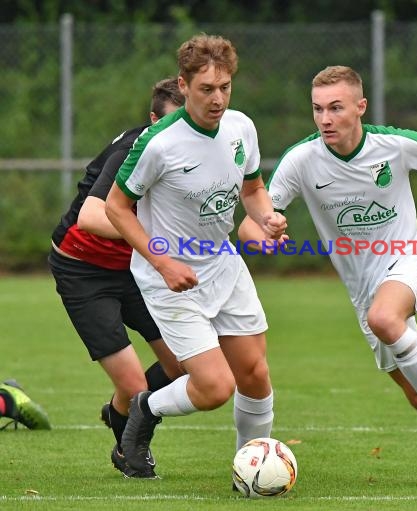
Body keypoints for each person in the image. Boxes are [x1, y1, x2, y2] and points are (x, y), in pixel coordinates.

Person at [238, 65, 417, 483]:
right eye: (317, 109)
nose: (325, 119)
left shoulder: (393, 145)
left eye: (336, 108)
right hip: (363, 291)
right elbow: (250, 222)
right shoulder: (302, 159)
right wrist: (264, 235)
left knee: (386, 320)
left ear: (360, 107)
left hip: (409, 259)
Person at [105, 34, 287, 479]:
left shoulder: (241, 127)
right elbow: (115, 207)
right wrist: (162, 262)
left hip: (222, 264)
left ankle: (250, 470)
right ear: (184, 86)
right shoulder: (157, 142)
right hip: (169, 275)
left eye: (225, 87)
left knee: (255, 374)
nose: (218, 98)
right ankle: (147, 407)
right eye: (207, 89)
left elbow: (253, 190)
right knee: (214, 387)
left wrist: (267, 218)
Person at [48, 78, 185, 478]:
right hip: (83, 270)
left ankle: (120, 410)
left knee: (183, 365)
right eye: (170, 127)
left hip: (134, 267)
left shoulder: (192, 150)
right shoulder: (135, 149)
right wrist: (158, 243)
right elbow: (92, 217)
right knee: (133, 383)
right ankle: (129, 450)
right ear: (151, 121)